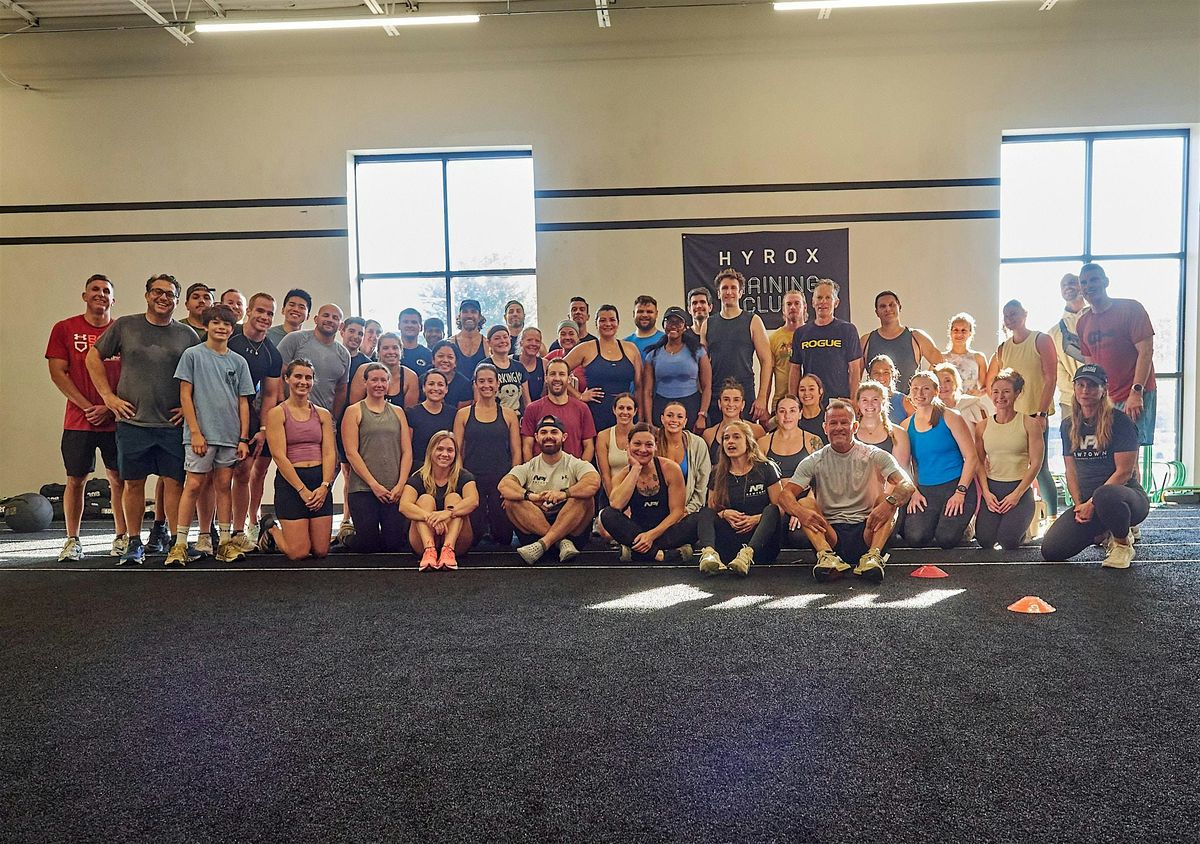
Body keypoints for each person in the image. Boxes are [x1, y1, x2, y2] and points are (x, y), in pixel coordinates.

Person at [87, 274, 201, 565]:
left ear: (177, 301)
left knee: (174, 484)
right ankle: (134, 542)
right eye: (157, 292)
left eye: (170, 294)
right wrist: (108, 398)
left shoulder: (188, 335)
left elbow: (200, 374)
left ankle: (177, 543)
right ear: (147, 295)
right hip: (133, 424)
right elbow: (93, 357)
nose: (163, 298)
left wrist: (189, 408)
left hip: (171, 426)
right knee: (133, 484)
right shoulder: (125, 326)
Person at [780, 399, 915, 583]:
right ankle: (826, 557)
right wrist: (800, 513)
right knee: (804, 503)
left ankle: (873, 557)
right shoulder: (813, 461)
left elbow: (907, 484)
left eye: (844, 422)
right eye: (833, 423)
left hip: (868, 530)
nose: (839, 428)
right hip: (830, 534)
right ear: (825, 428)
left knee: (886, 499)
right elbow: (785, 495)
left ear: (855, 426)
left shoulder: (875, 455)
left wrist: (889, 503)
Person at [46, 274, 127, 561]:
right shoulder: (65, 328)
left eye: (106, 291)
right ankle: (72, 540)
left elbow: (132, 375)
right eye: (95, 289)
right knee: (76, 480)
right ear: (84, 296)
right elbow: (58, 373)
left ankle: (121, 537)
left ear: (113, 300)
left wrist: (108, 405)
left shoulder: (122, 331)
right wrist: (87, 406)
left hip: (115, 418)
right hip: (79, 420)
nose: (100, 294)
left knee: (118, 479)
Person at [168, 304, 255, 566]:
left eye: (226, 324)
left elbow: (243, 402)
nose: (221, 328)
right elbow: (185, 395)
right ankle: (180, 545)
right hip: (201, 436)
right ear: (206, 326)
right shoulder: (192, 355)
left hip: (229, 436)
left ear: (232, 328)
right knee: (193, 485)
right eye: (216, 322)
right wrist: (195, 432)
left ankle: (225, 543)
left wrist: (243, 438)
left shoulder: (238, 362)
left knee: (223, 487)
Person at [1041, 364, 1148, 568]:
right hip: (1089, 503)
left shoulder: (1121, 422)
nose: (1085, 390)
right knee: (1051, 550)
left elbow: (1124, 472)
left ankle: (1122, 544)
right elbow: (1071, 470)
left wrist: (1092, 503)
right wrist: (1079, 505)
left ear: (1103, 389)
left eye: (1092, 385)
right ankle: (1105, 530)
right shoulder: (1068, 425)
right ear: (1074, 388)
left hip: (1125, 500)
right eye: (1080, 385)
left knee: (1104, 494)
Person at [259, 359, 337, 560]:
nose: (303, 382)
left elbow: (329, 453)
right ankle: (270, 528)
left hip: (318, 481)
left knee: (320, 551)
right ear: (287, 379)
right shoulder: (277, 413)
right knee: (298, 552)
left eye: (308, 378)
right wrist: (301, 490)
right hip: (291, 483)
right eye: (298, 376)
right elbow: (279, 455)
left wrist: (325, 486)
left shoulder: (323, 414)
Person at [987, 299, 1058, 518]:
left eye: (1014, 314)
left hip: (1035, 414)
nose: (1010, 319)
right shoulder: (1003, 348)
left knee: (1040, 467)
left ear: (1024, 314)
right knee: (1015, 467)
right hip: (1012, 417)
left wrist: (1042, 413)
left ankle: (1052, 516)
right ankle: (1023, 516)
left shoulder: (1041, 339)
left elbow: (1051, 377)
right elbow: (995, 382)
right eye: (1006, 315)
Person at [498, 415, 601, 564]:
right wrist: (531, 496)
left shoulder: (575, 463)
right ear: (536, 437)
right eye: (544, 432)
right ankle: (560, 542)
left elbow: (593, 482)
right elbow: (504, 485)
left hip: (571, 529)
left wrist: (563, 494)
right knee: (510, 501)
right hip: (537, 530)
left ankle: (545, 543)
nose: (549, 436)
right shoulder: (529, 466)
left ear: (564, 437)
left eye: (554, 432)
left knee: (585, 497)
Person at [1077, 262, 1157, 447]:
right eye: (1084, 283)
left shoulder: (1131, 309)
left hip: (1134, 393)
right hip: (1107, 398)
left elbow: (1146, 352)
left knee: (1130, 451)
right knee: (1107, 450)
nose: (1089, 286)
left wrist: (1136, 392)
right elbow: (1091, 368)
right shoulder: (1083, 323)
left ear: (1106, 282)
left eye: (1094, 280)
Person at [227, 292, 282, 552]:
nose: (264, 317)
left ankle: (239, 531)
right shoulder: (229, 336)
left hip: (247, 416)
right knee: (210, 477)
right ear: (248, 311)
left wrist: (263, 428)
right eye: (260, 310)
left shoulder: (272, 354)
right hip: (214, 414)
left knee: (242, 472)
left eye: (270, 313)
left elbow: (270, 395)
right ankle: (209, 532)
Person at [901, 370, 979, 549]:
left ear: (936, 391)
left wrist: (960, 492)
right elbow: (905, 466)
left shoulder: (951, 417)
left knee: (946, 539)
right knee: (915, 538)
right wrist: (914, 492)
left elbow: (971, 457)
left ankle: (966, 525)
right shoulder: (906, 425)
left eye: (926, 388)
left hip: (955, 485)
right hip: (925, 490)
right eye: (915, 389)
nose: (920, 393)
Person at [341, 363, 413, 554]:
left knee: (394, 544)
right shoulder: (354, 411)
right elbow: (351, 453)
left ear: (389, 383)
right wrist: (374, 485)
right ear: (365, 382)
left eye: (383, 380)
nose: (379, 384)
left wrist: (401, 485)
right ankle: (346, 536)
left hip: (393, 490)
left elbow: (407, 451)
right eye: (374, 380)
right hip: (364, 489)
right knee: (368, 545)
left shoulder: (398, 412)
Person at [695, 420, 784, 576]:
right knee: (705, 512)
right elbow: (712, 509)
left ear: (748, 442)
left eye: (736, 437)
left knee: (772, 510)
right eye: (726, 438)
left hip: (762, 544)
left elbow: (781, 510)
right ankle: (709, 554)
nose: (730, 441)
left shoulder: (766, 468)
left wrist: (756, 519)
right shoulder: (717, 473)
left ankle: (747, 555)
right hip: (730, 542)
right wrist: (724, 514)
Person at [599, 423, 697, 563]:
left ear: (656, 446)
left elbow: (677, 512)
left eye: (649, 445)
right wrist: (636, 469)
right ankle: (659, 554)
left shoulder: (671, 469)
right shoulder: (622, 476)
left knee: (696, 520)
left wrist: (651, 536)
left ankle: (637, 553)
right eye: (637, 444)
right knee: (607, 514)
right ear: (628, 446)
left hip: (665, 530)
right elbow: (616, 505)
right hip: (638, 531)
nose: (643, 450)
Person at [974, 369, 1044, 551]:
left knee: (1008, 541)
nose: (1000, 396)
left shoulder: (1030, 424)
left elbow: (1036, 463)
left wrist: (1017, 494)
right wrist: (986, 493)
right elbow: (979, 462)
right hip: (993, 488)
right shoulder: (982, 426)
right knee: (984, 540)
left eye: (1006, 391)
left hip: (1019, 488)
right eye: (996, 391)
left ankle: (1022, 528)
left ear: (1017, 393)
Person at [454, 363, 521, 546]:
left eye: (490, 381)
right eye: (481, 381)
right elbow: (457, 450)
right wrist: (460, 480)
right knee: (473, 539)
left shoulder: (509, 415)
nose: (486, 385)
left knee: (504, 538)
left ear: (497, 384)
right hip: (472, 479)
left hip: (500, 479)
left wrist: (512, 482)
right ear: (475, 384)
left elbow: (516, 451)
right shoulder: (463, 414)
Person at [399, 431, 478, 570]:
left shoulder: (464, 476)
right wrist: (430, 517)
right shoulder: (418, 477)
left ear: (455, 454)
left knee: (454, 498)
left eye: (450, 450)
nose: (445, 454)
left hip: (458, 542)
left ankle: (448, 549)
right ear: (431, 451)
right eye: (440, 449)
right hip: (423, 541)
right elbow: (404, 506)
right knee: (425, 499)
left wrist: (448, 513)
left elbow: (473, 501)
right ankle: (429, 550)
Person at [703, 269, 772, 423]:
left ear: (740, 293)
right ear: (718, 293)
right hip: (716, 395)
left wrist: (762, 398)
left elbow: (767, 361)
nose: (729, 292)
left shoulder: (753, 321)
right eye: (724, 288)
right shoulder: (707, 324)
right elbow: (702, 366)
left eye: (733, 288)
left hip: (745, 394)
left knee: (745, 437)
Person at [563, 304, 643, 432]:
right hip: (595, 413)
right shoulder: (585, 348)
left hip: (625, 413)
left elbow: (639, 387)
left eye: (612, 320)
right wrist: (579, 396)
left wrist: (640, 417)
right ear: (596, 324)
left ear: (618, 323)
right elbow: (555, 370)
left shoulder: (631, 349)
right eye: (602, 320)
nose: (608, 324)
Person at [789, 279, 862, 401]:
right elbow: (795, 369)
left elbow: (855, 370)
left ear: (836, 302)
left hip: (839, 400)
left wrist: (854, 400)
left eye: (828, 297)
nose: (823, 301)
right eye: (819, 297)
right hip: (810, 400)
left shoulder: (848, 330)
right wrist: (793, 401)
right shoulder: (801, 333)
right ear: (813, 302)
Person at [642, 307, 711, 431]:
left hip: (691, 406)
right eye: (669, 322)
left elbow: (707, 386)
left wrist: (702, 415)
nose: (673, 326)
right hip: (662, 406)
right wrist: (649, 421)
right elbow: (647, 391)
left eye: (678, 322)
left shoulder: (698, 351)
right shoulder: (653, 355)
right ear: (664, 325)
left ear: (684, 327)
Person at [276, 304, 351, 417]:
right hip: (290, 415)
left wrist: (333, 418)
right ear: (316, 319)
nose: (330, 320)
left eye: (335, 318)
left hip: (323, 419)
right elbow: (277, 375)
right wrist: (281, 406)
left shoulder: (344, 354)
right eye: (326, 315)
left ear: (341, 326)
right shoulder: (294, 339)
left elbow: (341, 390)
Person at [860, 290, 943, 390]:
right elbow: (855, 375)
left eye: (892, 305)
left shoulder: (917, 337)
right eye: (882, 306)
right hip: (876, 399)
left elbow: (941, 364)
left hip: (910, 399)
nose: (888, 309)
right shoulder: (866, 341)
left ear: (899, 307)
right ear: (876, 312)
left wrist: (925, 385)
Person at [521, 359, 596, 461]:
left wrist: (580, 469)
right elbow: (527, 446)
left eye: (561, 374)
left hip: (573, 469)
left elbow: (589, 446)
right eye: (552, 374)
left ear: (569, 379)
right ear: (546, 378)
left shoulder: (582, 408)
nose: (557, 378)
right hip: (541, 469)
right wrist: (532, 469)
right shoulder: (532, 409)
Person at [655, 399, 712, 517]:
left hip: (689, 511)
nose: (674, 420)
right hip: (657, 510)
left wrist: (687, 511)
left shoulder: (698, 444)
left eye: (679, 417)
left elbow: (702, 485)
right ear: (662, 419)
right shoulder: (652, 444)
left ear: (685, 422)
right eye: (669, 415)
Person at [1048, 273, 1088, 423]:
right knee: (1072, 437)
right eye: (1063, 285)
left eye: (1072, 282)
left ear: (1082, 286)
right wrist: (1077, 391)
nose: (1068, 287)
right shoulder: (1054, 333)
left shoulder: (1100, 319)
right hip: (1070, 402)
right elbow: (1057, 369)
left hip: (1104, 397)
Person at [758, 396, 824, 482]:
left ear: (800, 414)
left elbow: (821, 477)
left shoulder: (813, 441)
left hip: (806, 490)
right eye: (782, 411)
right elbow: (758, 479)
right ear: (776, 415)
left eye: (792, 411)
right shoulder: (763, 443)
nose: (787, 416)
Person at [704, 380, 766, 466]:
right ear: (719, 403)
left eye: (736, 400)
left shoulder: (756, 431)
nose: (731, 404)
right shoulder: (709, 434)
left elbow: (762, 463)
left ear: (743, 404)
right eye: (726, 399)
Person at [350, 333, 417, 407]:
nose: (391, 352)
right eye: (385, 348)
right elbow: (354, 407)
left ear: (401, 351)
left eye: (395, 348)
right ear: (378, 352)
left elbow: (409, 411)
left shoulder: (411, 377)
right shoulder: (363, 370)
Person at [852, 380, 910, 466]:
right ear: (858, 403)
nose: (870, 404)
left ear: (883, 402)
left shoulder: (899, 434)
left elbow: (900, 471)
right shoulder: (850, 432)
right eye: (865, 400)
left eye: (875, 399)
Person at [407, 369, 459, 465]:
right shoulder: (411, 413)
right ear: (423, 387)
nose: (435, 388)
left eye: (440, 384)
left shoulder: (454, 414)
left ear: (446, 389)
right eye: (431, 384)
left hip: (445, 467)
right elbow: (407, 449)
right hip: (419, 467)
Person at [768, 290, 807, 413]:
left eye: (797, 303)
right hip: (781, 404)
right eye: (789, 304)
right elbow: (768, 375)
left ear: (805, 308)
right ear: (783, 310)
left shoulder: (813, 335)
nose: (793, 307)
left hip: (809, 404)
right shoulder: (773, 338)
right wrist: (764, 406)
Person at [596, 392, 638, 498]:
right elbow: (605, 475)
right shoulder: (603, 436)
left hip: (638, 492)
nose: (625, 412)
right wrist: (614, 500)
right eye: (621, 408)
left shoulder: (643, 434)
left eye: (629, 408)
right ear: (614, 410)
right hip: (612, 491)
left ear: (635, 411)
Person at [485, 324, 530, 413]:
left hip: (517, 417)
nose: (502, 341)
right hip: (494, 417)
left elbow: (527, 400)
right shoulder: (485, 366)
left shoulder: (519, 367)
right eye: (497, 338)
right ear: (489, 343)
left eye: (505, 337)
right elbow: (479, 400)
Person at [943, 312, 989, 397]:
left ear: (970, 333)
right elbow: (930, 384)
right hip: (946, 403)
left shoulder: (979, 358)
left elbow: (986, 386)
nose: (959, 334)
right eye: (956, 330)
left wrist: (978, 393)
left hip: (970, 403)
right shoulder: (940, 358)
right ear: (950, 332)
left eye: (963, 330)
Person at [934, 363, 986, 430]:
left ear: (956, 383)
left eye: (947, 381)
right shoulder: (930, 412)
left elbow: (985, 432)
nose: (943, 386)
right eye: (938, 382)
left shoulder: (973, 405)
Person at [868, 354, 914, 424]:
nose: (881, 376)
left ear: (893, 375)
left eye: (886, 372)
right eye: (876, 373)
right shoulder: (862, 401)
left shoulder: (904, 402)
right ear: (869, 376)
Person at [428, 340, 475, 408]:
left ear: (455, 362)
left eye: (450, 357)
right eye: (440, 356)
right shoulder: (423, 380)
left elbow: (463, 412)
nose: (445, 360)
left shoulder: (464, 384)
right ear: (433, 360)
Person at [546, 321, 588, 393]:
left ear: (578, 337)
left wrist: (582, 396)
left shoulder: (586, 357)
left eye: (571, 334)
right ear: (558, 338)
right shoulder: (551, 356)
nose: (567, 337)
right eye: (563, 334)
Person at [450, 299, 488, 379]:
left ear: (479, 317)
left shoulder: (487, 344)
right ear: (459, 316)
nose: (469, 315)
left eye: (473, 312)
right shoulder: (450, 343)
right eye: (465, 312)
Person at [397, 308, 432, 375]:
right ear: (399, 326)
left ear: (421, 327)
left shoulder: (429, 355)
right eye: (405, 322)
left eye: (414, 322)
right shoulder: (392, 353)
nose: (409, 325)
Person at [795, 373, 827, 443]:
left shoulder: (828, 418)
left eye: (811, 389)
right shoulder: (793, 419)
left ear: (820, 391)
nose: (806, 393)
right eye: (802, 390)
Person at [517, 327, 546, 401]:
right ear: (521, 343)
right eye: (529, 340)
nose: (533, 344)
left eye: (537, 341)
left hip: (537, 407)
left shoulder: (545, 364)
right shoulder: (510, 361)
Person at [340, 317, 372, 384]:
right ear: (342, 332)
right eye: (351, 331)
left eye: (360, 334)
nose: (356, 336)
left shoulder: (367, 364)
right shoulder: (332, 357)